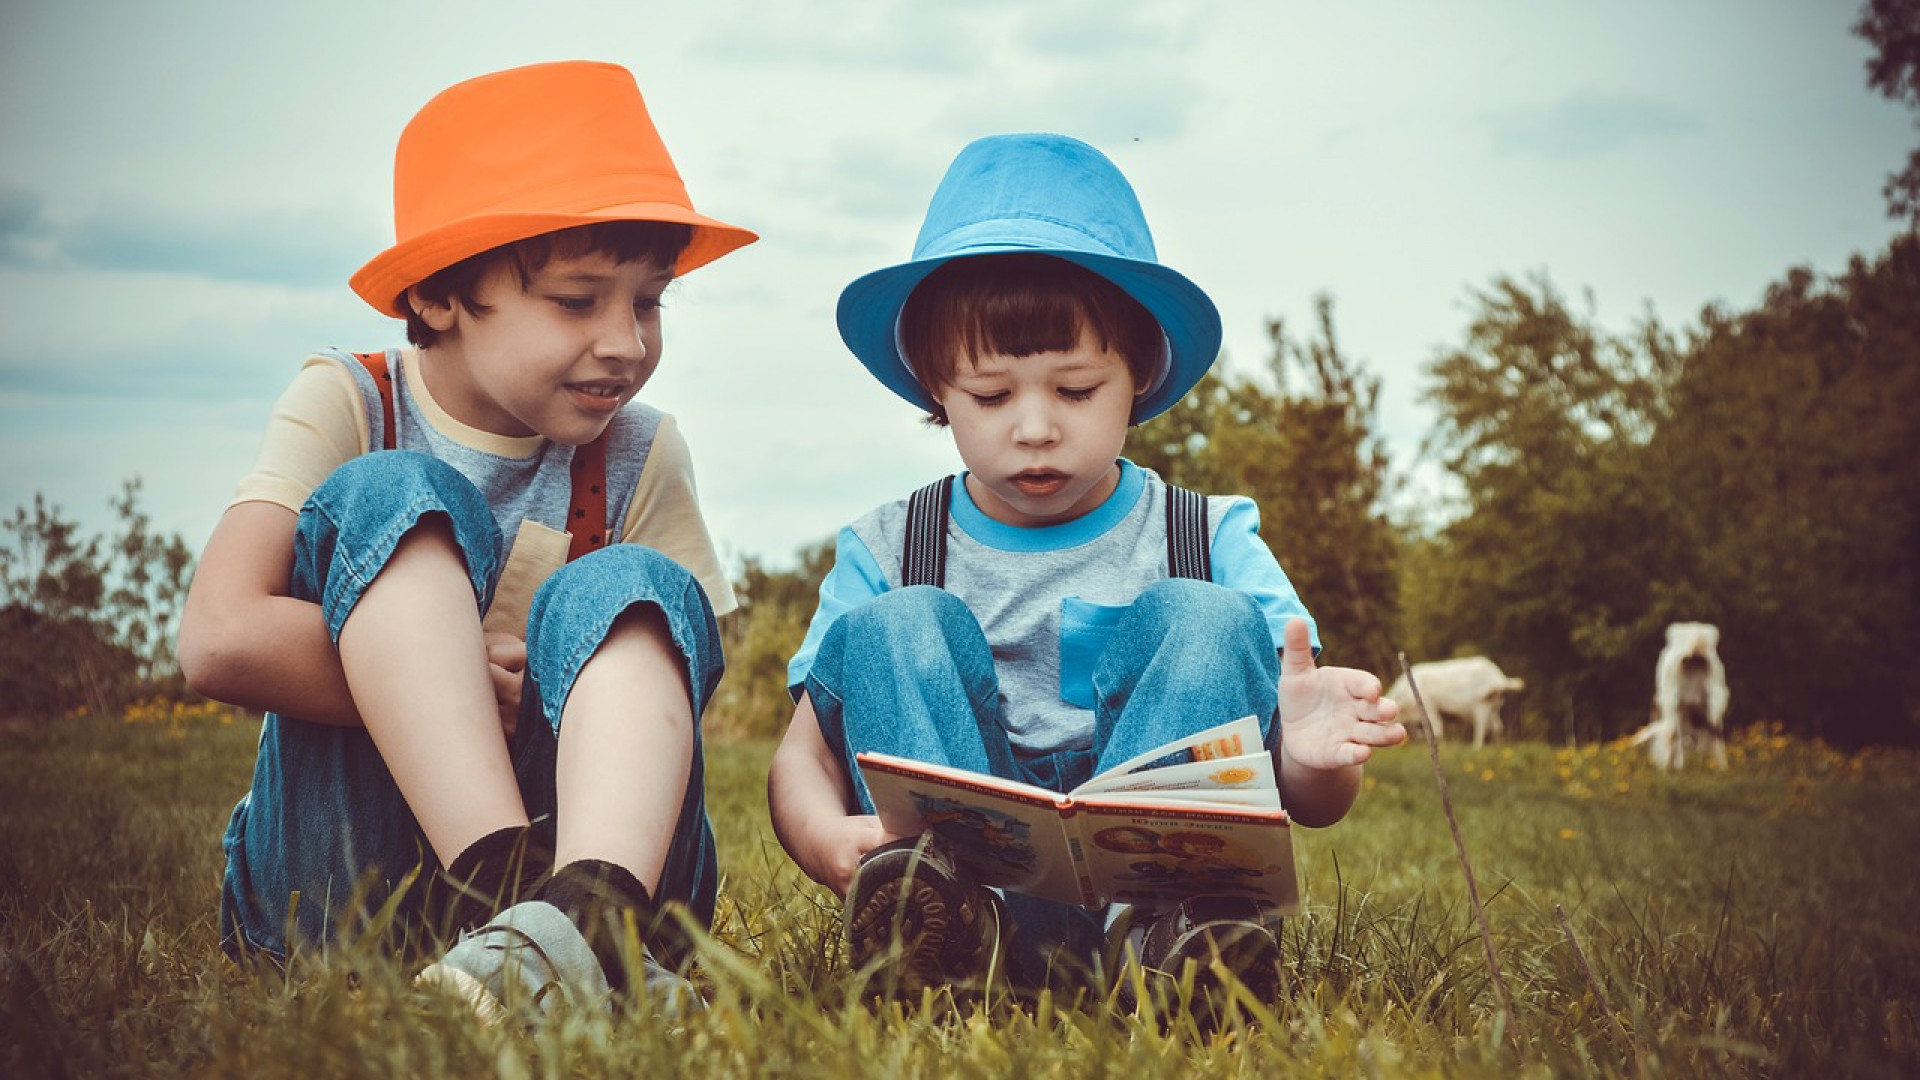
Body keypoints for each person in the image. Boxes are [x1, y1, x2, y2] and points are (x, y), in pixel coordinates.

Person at [765, 133, 1406, 1010]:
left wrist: (1311, 757)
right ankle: (939, 942)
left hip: (1167, 896)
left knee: (1208, 617)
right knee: (893, 625)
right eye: (991, 396)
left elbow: (1313, 800)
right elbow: (800, 757)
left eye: (1074, 391)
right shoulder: (888, 546)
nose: (1034, 428)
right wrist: (824, 839)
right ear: (934, 388)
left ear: (1138, 374)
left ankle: (1179, 952)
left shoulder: (1208, 534)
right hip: (965, 892)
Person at [176, 60, 756, 1020]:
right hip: (343, 887)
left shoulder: (644, 450)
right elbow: (220, 636)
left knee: (635, 586)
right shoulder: (351, 401)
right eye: (579, 301)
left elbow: (686, 667)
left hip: (592, 844)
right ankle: (526, 914)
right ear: (441, 295)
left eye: (649, 302)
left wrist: (576, 682)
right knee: (395, 494)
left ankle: (590, 917)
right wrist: (443, 681)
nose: (626, 341)